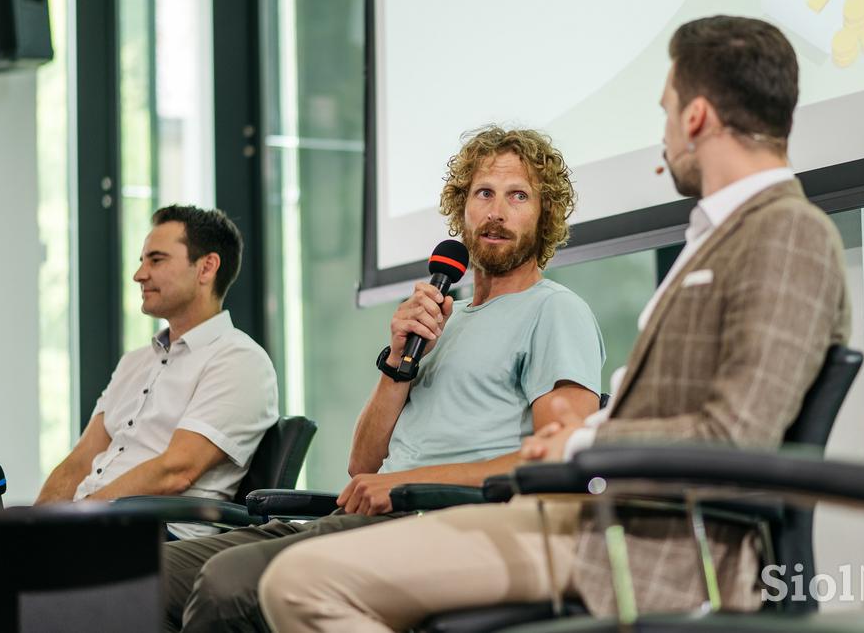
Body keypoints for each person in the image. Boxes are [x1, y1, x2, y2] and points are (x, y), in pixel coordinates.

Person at [257, 15, 852, 632]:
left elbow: (736, 436)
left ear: (696, 118)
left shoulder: (786, 233)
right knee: (293, 576)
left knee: (301, 585)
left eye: (667, 111)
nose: (666, 134)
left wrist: (586, 442)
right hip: (590, 515)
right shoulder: (725, 239)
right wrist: (578, 433)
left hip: (635, 542)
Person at [163, 125, 606, 632]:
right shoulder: (442, 318)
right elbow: (364, 464)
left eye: (518, 196)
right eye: (483, 193)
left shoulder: (555, 311)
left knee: (228, 583)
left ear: (544, 216)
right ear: (462, 208)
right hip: (366, 516)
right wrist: (398, 360)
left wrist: (407, 482)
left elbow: (564, 462)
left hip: (444, 525)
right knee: (147, 577)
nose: (496, 212)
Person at [35, 205, 279, 540]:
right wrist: (29, 530)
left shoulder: (239, 360)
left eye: (156, 260)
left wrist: (83, 516)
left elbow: (176, 471)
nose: (139, 274)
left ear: (207, 267)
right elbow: (80, 460)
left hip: (159, 535)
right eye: (141, 260)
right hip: (96, 525)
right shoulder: (133, 363)